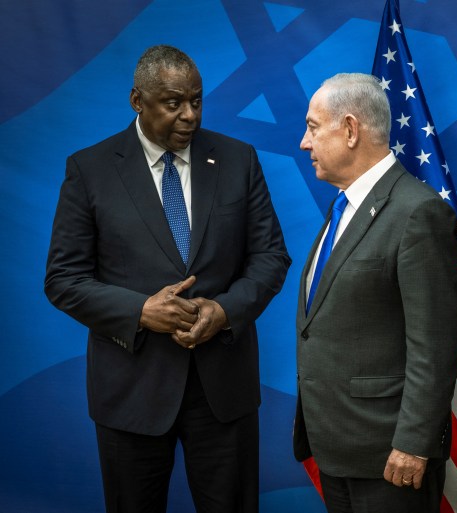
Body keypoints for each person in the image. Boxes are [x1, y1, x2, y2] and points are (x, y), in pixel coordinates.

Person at [44, 45, 290, 513]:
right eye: (173, 103)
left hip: (223, 391)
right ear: (138, 100)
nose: (190, 115)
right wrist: (139, 311)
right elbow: (63, 278)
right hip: (131, 391)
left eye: (196, 101)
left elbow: (271, 256)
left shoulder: (238, 159)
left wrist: (223, 311)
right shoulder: (90, 170)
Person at [292, 73, 457, 513]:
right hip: (337, 448)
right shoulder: (343, 206)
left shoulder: (417, 212)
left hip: (390, 455)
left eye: (313, 127)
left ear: (350, 130)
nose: (304, 143)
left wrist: (414, 443)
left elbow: (436, 343)